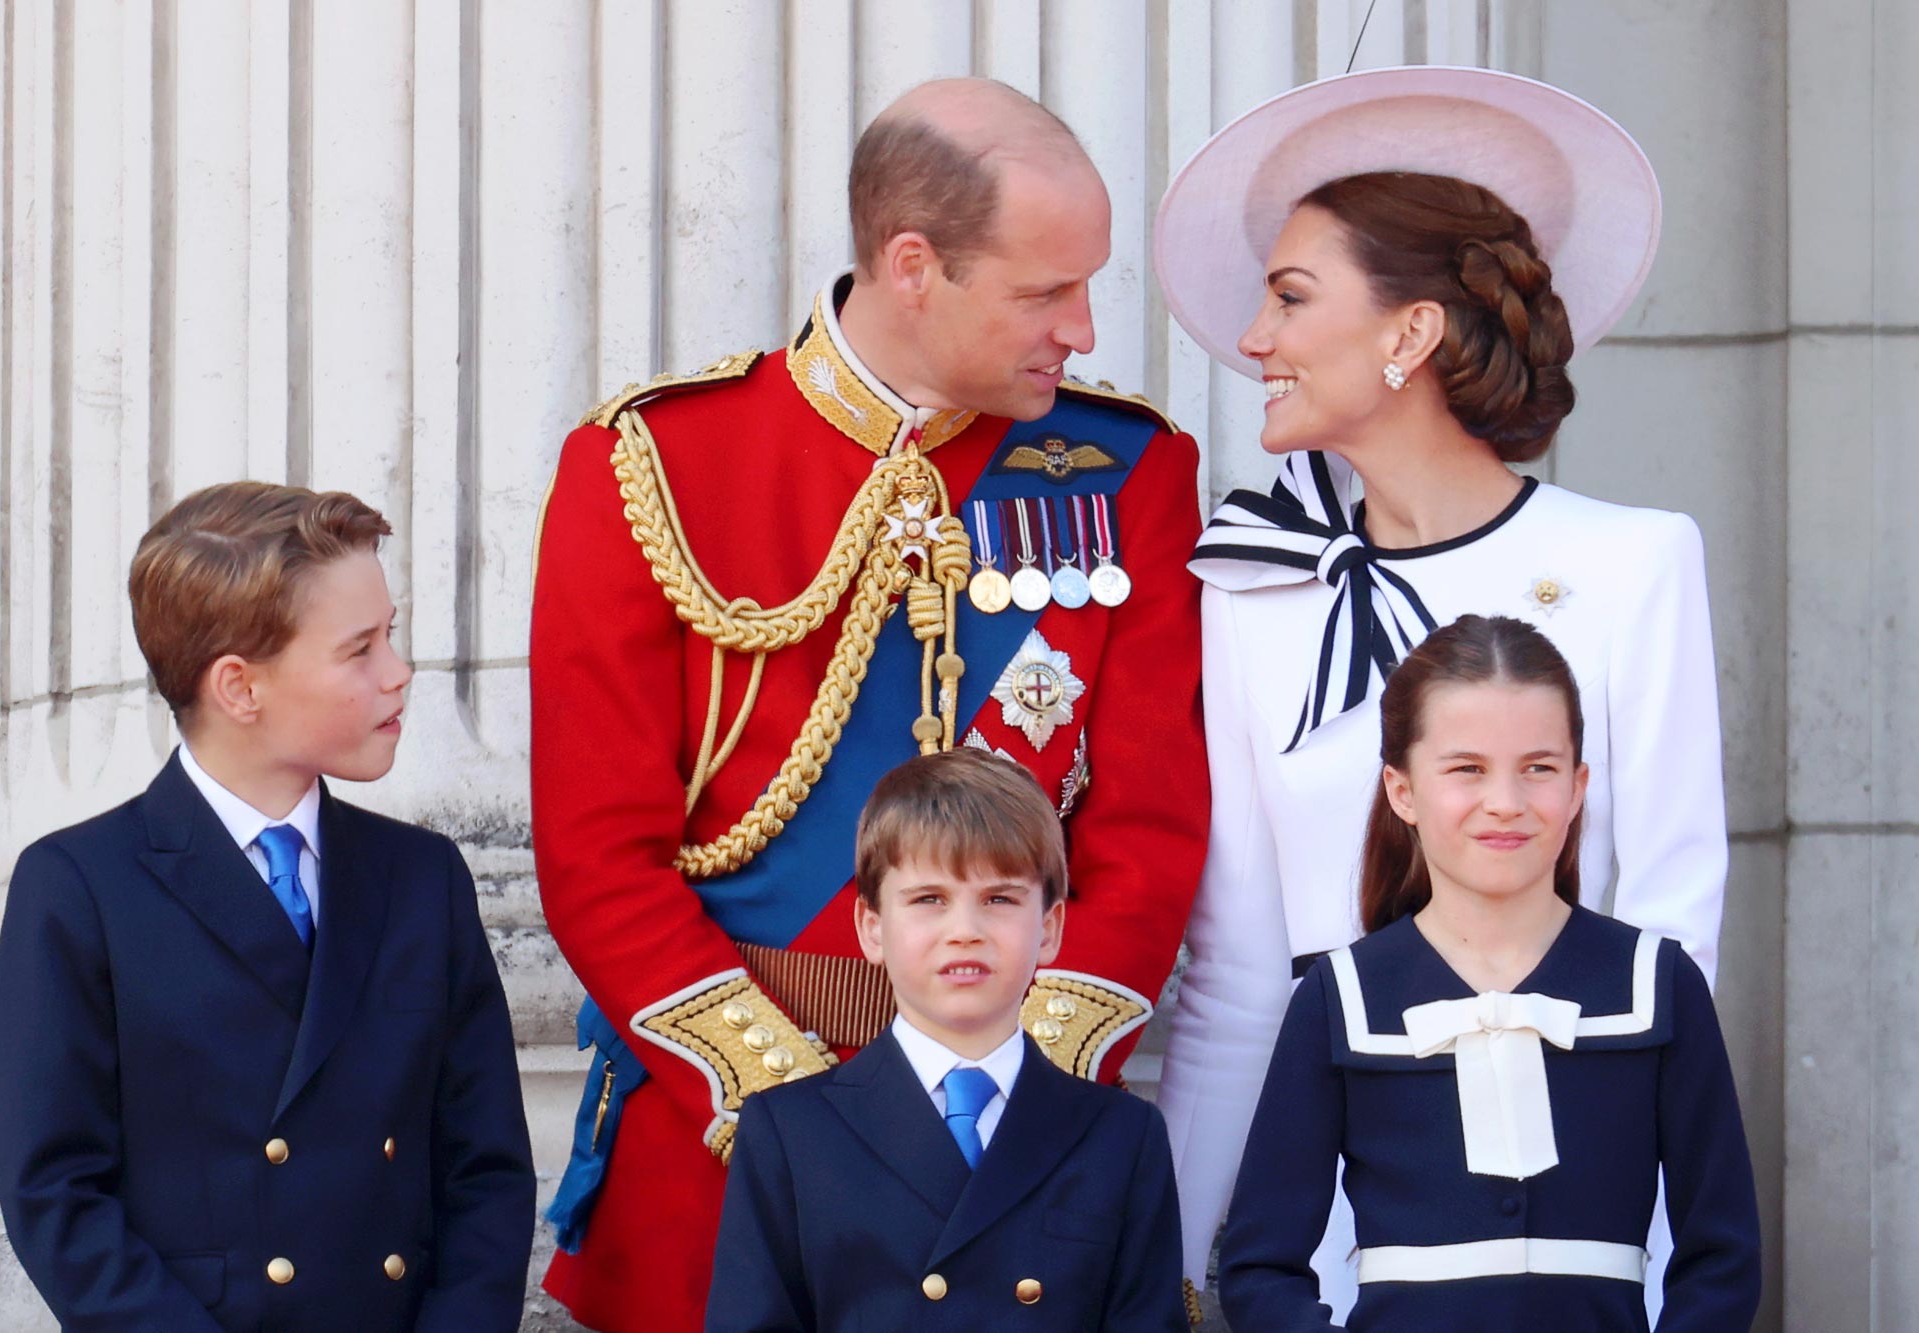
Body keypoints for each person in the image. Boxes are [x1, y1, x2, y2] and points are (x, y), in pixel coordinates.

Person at [532, 77, 1210, 1330]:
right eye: (1043, 291)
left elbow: (1148, 833)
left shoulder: (1130, 474)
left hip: (1017, 1152)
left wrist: (1010, 1081)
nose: (1083, 329)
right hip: (722, 1154)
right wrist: (799, 1113)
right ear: (912, 266)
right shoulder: (652, 464)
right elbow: (593, 854)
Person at [1148, 66, 1727, 1316]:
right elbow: (1238, 969)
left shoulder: (1633, 562)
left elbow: (1669, 931)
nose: (1254, 340)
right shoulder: (1251, 588)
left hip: (1566, 1214)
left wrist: (1664, 1262)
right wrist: (1188, 1254)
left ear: (1407, 333)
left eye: (1290, 299)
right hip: (1328, 1214)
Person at [0, 482, 535, 1331]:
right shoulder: (79, 887)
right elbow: (56, 1195)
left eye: (391, 635)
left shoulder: (423, 878)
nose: (399, 672)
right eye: (360, 649)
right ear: (240, 687)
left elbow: (486, 1172)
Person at [1216, 615, 1759, 1331]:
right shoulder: (1340, 997)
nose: (1506, 800)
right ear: (1402, 790)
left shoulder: (1657, 984)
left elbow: (1723, 1257)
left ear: (1578, 786)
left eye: (1539, 767)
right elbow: (1259, 1266)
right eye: (1467, 768)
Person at [707, 748, 1188, 1330]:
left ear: (1051, 929)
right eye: (930, 899)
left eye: (1000, 899)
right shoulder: (789, 1131)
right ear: (872, 928)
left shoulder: (1121, 1136)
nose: (965, 931)